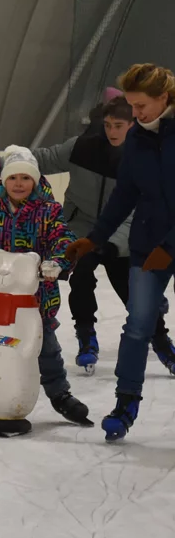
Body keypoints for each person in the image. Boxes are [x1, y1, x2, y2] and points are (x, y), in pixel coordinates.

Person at [67, 63, 175, 441]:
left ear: (163, 97)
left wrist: (169, 247)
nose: (135, 114)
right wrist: (95, 238)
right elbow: (125, 194)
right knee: (137, 324)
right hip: (147, 243)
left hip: (167, 244)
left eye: (141, 105)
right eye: (130, 106)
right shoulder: (137, 139)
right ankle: (126, 401)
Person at [32, 95, 175, 374]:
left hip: (122, 232)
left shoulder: (145, 157)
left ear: (134, 125)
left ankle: (161, 343)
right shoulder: (81, 148)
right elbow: (43, 159)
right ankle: (86, 338)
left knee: (134, 294)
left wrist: (110, 244)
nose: (112, 132)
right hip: (82, 227)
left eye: (118, 126)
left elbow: (134, 210)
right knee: (81, 277)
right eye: (108, 125)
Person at [0, 147, 91, 428]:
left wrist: (57, 262)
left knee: (45, 346)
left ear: (36, 181)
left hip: (36, 299)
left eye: (26, 178)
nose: (19, 183)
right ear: (4, 180)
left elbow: (64, 238)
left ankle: (59, 395)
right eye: (14, 178)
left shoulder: (48, 211)